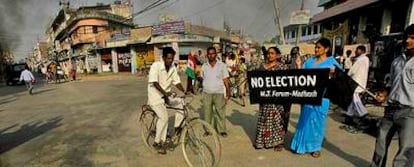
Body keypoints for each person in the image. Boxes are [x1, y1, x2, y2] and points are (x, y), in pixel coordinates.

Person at [371, 24, 414, 167]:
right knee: (380, 144)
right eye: (406, 37)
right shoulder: (396, 61)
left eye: (413, 38)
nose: (408, 41)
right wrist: (383, 95)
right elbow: (390, 84)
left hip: (409, 112)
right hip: (390, 109)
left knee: (406, 151)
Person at [290, 38, 341, 158]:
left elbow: (340, 79)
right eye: (316, 47)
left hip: (322, 98)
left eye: (319, 47)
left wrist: (334, 74)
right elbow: (302, 77)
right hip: (308, 97)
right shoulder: (309, 62)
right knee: (304, 121)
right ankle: (300, 145)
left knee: (317, 123)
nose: (316, 49)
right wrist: (298, 66)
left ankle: (315, 147)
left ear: (326, 49)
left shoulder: (332, 62)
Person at [147, 47, 186, 154]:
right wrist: (165, 93)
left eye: (172, 59)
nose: (170, 61)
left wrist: (185, 91)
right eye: (168, 58)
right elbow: (154, 82)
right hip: (155, 96)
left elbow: (177, 82)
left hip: (166, 95)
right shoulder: (156, 66)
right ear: (163, 58)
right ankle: (157, 142)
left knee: (181, 102)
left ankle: (177, 127)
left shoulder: (173, 67)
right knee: (164, 117)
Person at [254, 47, 290, 151]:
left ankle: (278, 143)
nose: (270, 55)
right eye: (268, 53)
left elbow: (288, 82)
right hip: (264, 98)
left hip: (278, 98)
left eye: (272, 53)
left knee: (277, 120)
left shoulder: (283, 67)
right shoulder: (262, 67)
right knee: (264, 119)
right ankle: (262, 141)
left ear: (277, 55)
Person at [200, 47, 230, 137]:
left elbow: (226, 80)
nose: (211, 55)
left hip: (219, 93)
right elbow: (201, 77)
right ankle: (208, 130)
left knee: (220, 112)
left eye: (212, 53)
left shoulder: (222, 65)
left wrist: (228, 92)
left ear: (216, 55)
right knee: (207, 113)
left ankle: (222, 130)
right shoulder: (204, 66)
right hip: (206, 93)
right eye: (209, 54)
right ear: (207, 55)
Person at [343, 45, 370, 133]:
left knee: (355, 98)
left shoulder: (360, 60)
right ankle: (349, 115)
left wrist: (347, 76)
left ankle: (363, 113)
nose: (355, 52)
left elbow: (352, 71)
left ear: (361, 51)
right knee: (353, 100)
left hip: (356, 82)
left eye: (357, 50)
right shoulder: (366, 59)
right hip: (361, 81)